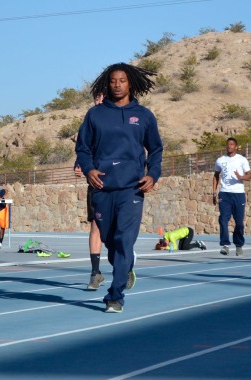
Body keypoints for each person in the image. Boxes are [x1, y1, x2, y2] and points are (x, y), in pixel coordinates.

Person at [76, 62, 163, 313]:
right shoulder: (95, 115)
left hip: (132, 189)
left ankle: (115, 296)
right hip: (102, 187)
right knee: (110, 240)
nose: (117, 85)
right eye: (113, 81)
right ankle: (124, 267)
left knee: (124, 240)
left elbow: (156, 149)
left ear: (130, 83)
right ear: (107, 83)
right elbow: (82, 148)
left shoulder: (144, 115)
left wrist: (153, 175)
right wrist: (89, 169)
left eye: (122, 80)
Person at [212, 137, 251, 256]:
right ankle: (225, 245)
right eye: (227, 144)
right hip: (224, 193)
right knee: (223, 219)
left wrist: (241, 177)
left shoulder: (242, 160)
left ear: (236, 146)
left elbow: (249, 175)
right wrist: (214, 192)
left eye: (231, 144)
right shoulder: (220, 160)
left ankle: (238, 245)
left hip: (238, 194)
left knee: (239, 222)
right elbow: (216, 175)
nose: (229, 146)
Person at [74, 164, 104, 290]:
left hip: (118, 188)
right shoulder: (90, 143)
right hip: (95, 188)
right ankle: (95, 272)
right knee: (95, 227)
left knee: (117, 229)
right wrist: (79, 164)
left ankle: (125, 265)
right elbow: (84, 149)